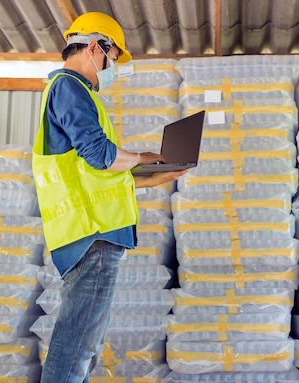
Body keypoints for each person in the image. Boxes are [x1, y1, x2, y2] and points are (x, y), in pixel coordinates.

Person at [31, 12, 186, 383]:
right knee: (78, 344)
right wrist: (145, 157)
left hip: (92, 231)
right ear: (95, 47)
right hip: (92, 234)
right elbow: (99, 155)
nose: (113, 67)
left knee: (85, 341)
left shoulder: (74, 92)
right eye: (113, 57)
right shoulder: (69, 87)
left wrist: (155, 176)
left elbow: (100, 174)